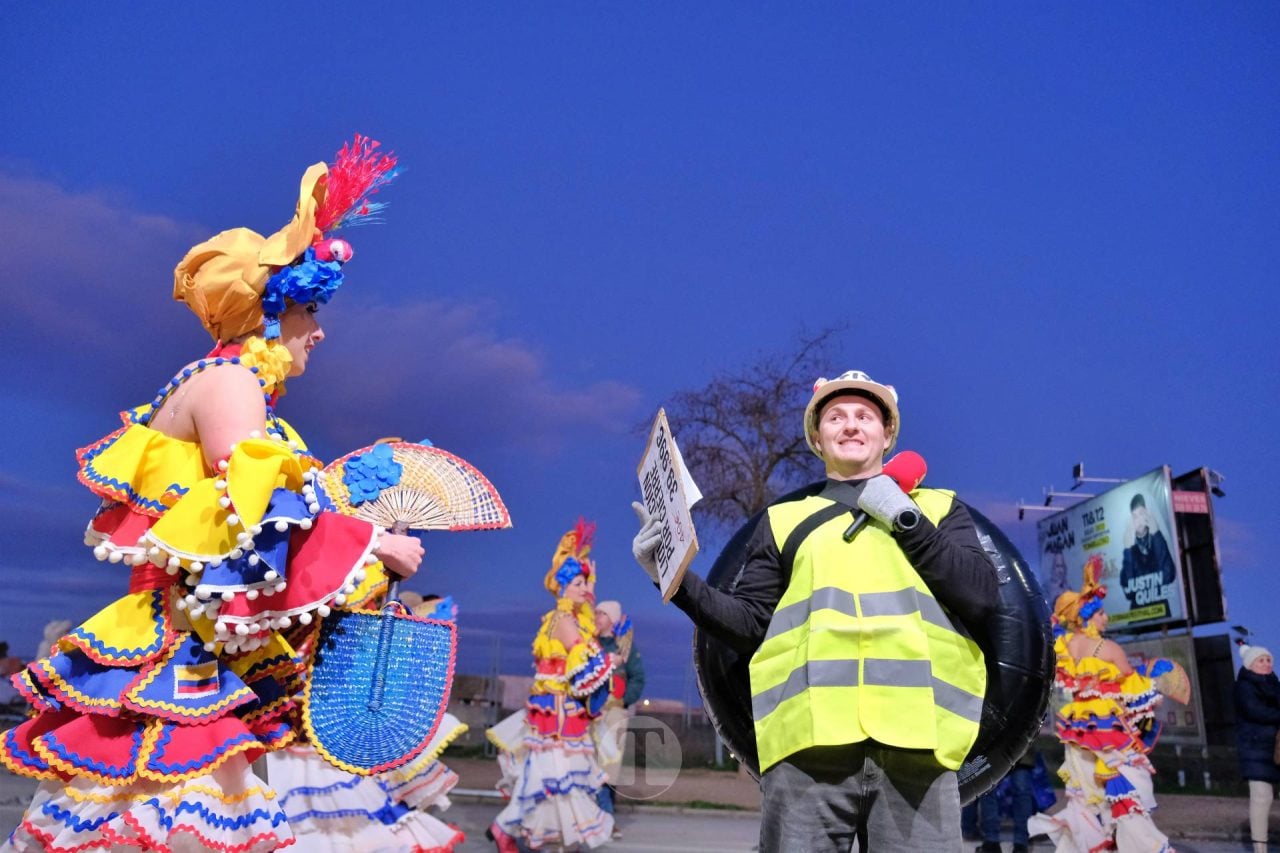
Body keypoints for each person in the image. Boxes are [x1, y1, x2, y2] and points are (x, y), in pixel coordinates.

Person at [0, 136, 426, 852]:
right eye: (310, 313)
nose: (319, 333)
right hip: (180, 651)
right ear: (272, 311)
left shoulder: (238, 388)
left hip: (203, 648)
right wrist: (374, 540)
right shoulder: (230, 383)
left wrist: (350, 493)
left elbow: (270, 501)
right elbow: (250, 512)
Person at [632, 369, 998, 853]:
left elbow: (980, 596)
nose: (851, 425)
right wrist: (671, 578)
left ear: (887, 435)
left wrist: (905, 517)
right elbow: (748, 625)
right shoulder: (782, 523)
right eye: (836, 417)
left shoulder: (939, 509)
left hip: (920, 747)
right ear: (817, 438)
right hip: (808, 750)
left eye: (865, 416)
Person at [1027, 555, 1172, 852]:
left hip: (1077, 735)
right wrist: (1147, 677)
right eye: (1102, 613)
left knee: (1085, 798)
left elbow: (1059, 687)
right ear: (1090, 616)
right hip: (1110, 736)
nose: (1107, 618)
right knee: (1130, 795)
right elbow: (1135, 696)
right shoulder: (1109, 648)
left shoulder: (1062, 648)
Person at [488, 525, 617, 851]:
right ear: (563, 588)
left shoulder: (571, 619)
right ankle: (510, 828)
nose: (585, 588)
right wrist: (607, 661)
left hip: (563, 712)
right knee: (556, 777)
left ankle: (511, 829)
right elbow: (583, 662)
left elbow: (584, 650)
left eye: (586, 582)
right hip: (556, 715)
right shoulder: (562, 621)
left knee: (551, 777)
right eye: (579, 584)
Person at [592, 599, 646, 833]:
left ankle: (606, 818)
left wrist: (624, 700)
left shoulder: (625, 647)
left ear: (612, 620)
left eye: (602, 613)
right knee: (586, 764)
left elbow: (638, 677)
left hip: (614, 713)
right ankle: (587, 819)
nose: (597, 617)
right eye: (596, 612)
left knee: (608, 766)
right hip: (589, 713)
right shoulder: (588, 643)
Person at [1234, 641, 1279, 853]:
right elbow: (1256, 712)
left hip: (1276, 747)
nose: (1266, 663)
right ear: (1250, 663)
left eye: (1268, 660)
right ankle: (1260, 848)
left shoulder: (1275, 684)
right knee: (1262, 797)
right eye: (1261, 660)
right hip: (1255, 748)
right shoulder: (1244, 686)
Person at [1118, 493, 1177, 612]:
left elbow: (1169, 576)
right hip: (1138, 618)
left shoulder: (1158, 541)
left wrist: (1156, 534)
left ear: (1147, 514)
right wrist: (1128, 550)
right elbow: (1129, 592)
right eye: (1134, 516)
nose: (1138, 520)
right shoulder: (1129, 549)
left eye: (1141, 514)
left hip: (1161, 614)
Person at [975, 747, 1037, 853]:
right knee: (1021, 792)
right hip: (1022, 742)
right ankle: (1020, 844)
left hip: (995, 743)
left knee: (989, 789)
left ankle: (991, 842)